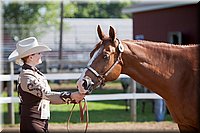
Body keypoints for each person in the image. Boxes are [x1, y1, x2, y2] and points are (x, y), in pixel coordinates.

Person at [8, 37, 85, 133]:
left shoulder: (34, 73)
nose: (41, 55)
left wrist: (72, 98)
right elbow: (46, 94)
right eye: (38, 53)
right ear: (30, 57)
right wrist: (71, 96)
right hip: (32, 122)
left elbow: (47, 98)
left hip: (39, 121)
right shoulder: (26, 76)